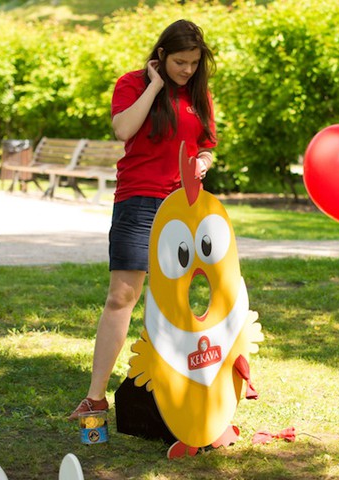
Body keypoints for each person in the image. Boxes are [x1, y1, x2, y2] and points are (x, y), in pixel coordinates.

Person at [69, 19, 218, 420]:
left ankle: (185, 394)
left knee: (177, 303)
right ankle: (96, 397)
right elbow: (123, 129)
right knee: (122, 297)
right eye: (180, 62)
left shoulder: (199, 94)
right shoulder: (133, 83)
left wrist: (203, 162)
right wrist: (155, 86)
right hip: (137, 202)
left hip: (181, 208)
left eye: (194, 64)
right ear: (162, 55)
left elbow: (206, 146)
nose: (187, 70)